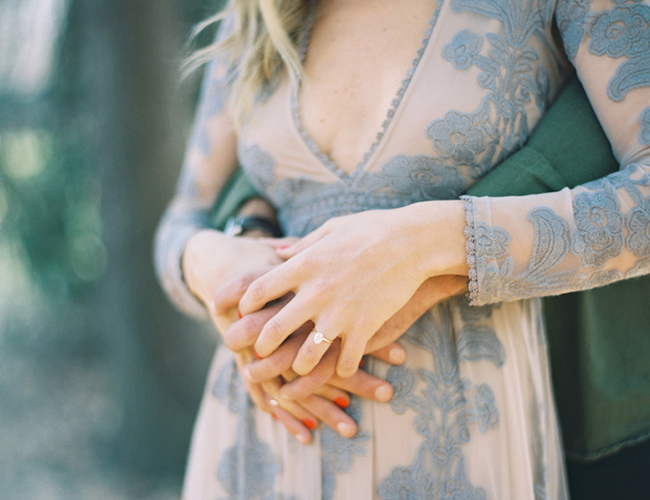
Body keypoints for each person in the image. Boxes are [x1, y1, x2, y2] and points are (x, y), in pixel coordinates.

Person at [154, 0, 650, 498]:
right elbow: (183, 217)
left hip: (463, 436)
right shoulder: (254, 14)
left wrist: (428, 243)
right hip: (262, 437)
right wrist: (207, 259)